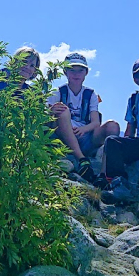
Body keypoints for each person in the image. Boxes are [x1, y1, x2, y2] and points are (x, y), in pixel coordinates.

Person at [46, 52, 120, 181]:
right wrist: (51, 111)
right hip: (63, 137)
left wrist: (83, 130)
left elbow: (95, 122)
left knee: (113, 126)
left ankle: (104, 174)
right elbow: (47, 117)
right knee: (63, 111)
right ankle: (82, 160)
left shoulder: (90, 94)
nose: (76, 74)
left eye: (80, 70)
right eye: (72, 70)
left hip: (85, 136)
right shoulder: (57, 92)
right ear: (65, 72)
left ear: (86, 73)